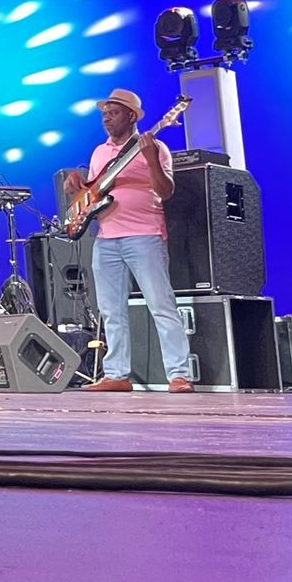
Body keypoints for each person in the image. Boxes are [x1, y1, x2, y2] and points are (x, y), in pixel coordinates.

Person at [66, 88, 191, 393]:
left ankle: (179, 374)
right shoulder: (99, 152)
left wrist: (150, 159)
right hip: (107, 238)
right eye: (104, 114)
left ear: (132, 116)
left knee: (161, 305)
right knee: (111, 311)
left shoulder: (155, 147)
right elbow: (96, 192)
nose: (107, 118)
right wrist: (79, 190)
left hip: (144, 235)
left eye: (114, 112)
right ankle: (117, 374)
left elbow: (165, 191)